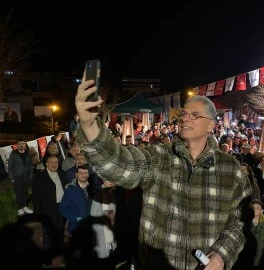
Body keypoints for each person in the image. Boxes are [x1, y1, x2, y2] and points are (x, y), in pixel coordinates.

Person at [75, 79, 252, 270]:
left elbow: (240, 220)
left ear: (211, 126)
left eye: (195, 115)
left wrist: (221, 255)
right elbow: (119, 164)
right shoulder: (159, 157)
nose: (185, 118)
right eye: (184, 114)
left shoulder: (230, 169)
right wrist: (90, 126)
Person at [7, 139, 34, 216]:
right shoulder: (13, 154)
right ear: (17, 145)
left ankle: (24, 207)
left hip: (27, 177)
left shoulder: (28, 154)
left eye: (23, 144)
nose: (21, 145)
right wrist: (11, 178)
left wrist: (31, 175)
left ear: (25, 145)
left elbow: (31, 165)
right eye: (19, 144)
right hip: (17, 177)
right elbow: (10, 167)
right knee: (18, 193)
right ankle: (20, 209)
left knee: (25, 193)